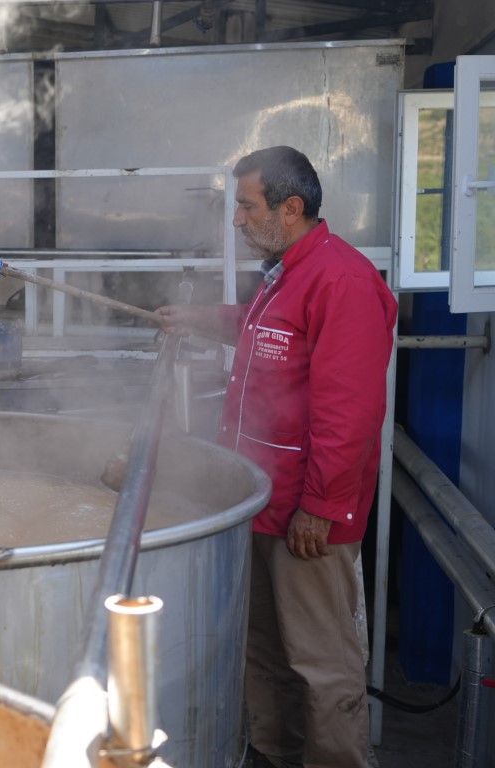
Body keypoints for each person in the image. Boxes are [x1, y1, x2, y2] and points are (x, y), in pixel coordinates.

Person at [155, 146, 397, 768]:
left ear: (291, 209)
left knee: (320, 660)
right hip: (261, 500)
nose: (237, 220)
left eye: (246, 206)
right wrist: (200, 318)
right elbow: (265, 330)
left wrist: (319, 507)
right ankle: (274, 754)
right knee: (262, 647)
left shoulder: (340, 279)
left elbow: (349, 413)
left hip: (306, 515)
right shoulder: (288, 272)